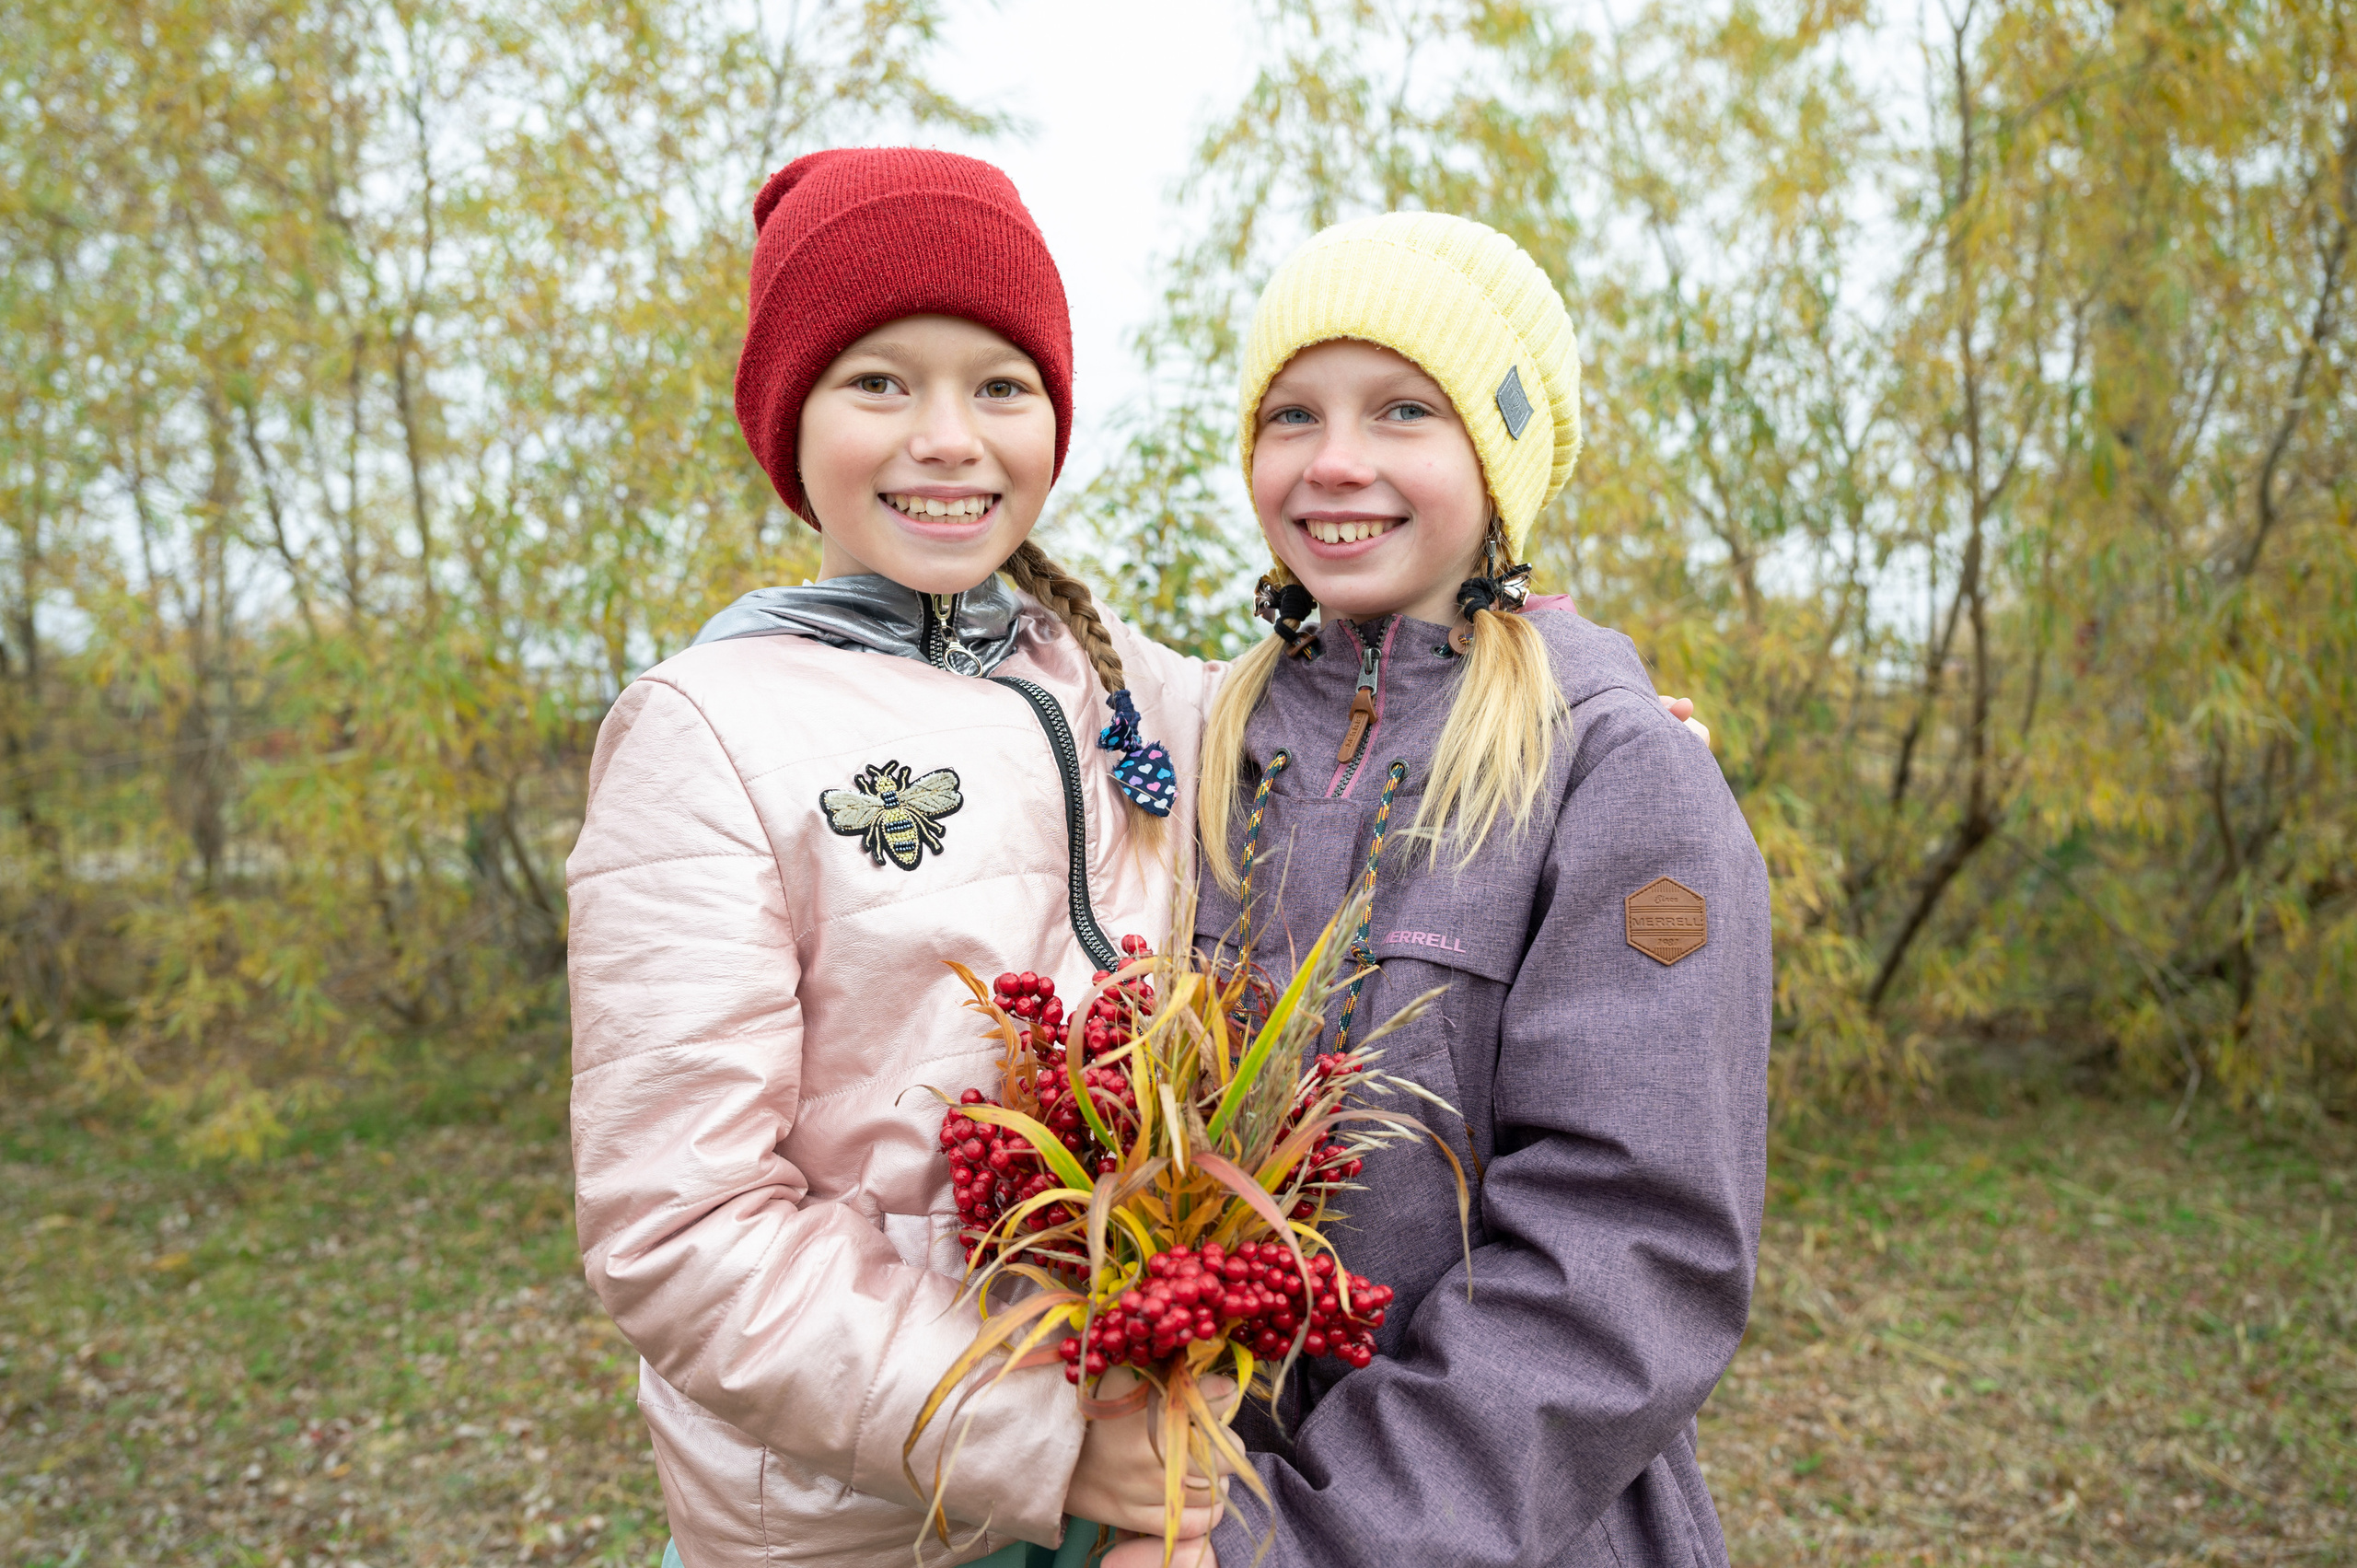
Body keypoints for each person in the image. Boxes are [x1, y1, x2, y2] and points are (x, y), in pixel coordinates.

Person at [564, 148, 1227, 1568]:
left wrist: (1590, 722)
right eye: (880, 383)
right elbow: (679, 1228)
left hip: (1131, 1465)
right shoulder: (711, 728)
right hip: (862, 1518)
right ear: (788, 422)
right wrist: (1043, 1433)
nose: (949, 438)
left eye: (1001, 385)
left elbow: (1347, 726)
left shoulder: (1121, 683)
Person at [1190, 213, 1772, 1568]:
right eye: (1292, 413)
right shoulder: (1212, 739)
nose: (1337, 462)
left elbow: (1628, 1254)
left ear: (1496, 459)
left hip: (1488, 1530)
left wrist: (1309, 1542)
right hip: (1178, 1504)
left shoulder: (1617, 771)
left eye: (1403, 410)